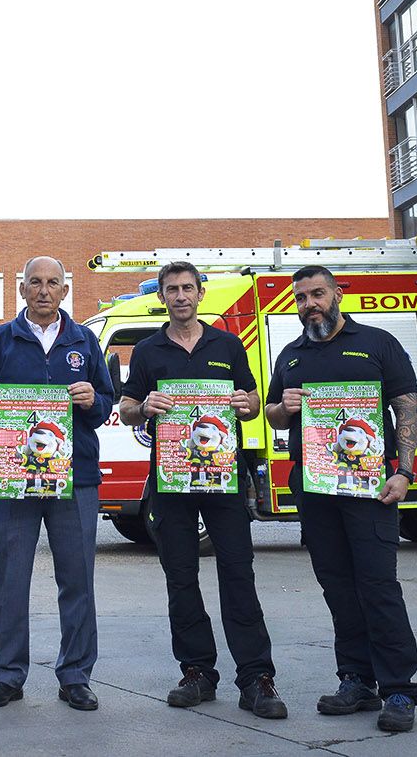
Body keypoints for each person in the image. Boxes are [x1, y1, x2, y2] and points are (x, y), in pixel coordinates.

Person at [118, 261, 285, 718]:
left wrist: (245, 403)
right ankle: (197, 672)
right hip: (171, 481)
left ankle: (256, 678)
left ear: (200, 293)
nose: (180, 296)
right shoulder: (149, 350)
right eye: (171, 289)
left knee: (238, 573)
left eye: (187, 288)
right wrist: (143, 406)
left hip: (224, 480)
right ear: (163, 297)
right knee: (180, 577)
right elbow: (128, 406)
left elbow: (253, 403)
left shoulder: (227, 345)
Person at [263, 264, 417, 733]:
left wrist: (405, 472)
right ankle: (356, 679)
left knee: (378, 586)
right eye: (301, 297)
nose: (309, 303)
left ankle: (399, 689)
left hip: (371, 491)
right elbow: (272, 415)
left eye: (317, 293)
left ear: (336, 294)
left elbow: (405, 407)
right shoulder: (291, 356)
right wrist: (282, 409)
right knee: (337, 587)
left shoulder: (377, 343)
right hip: (316, 491)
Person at [0, 255, 114, 712]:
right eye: (36, 282)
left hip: (76, 480)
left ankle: (75, 676)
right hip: (15, 481)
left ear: (65, 290)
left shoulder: (85, 341)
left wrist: (93, 399)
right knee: (10, 578)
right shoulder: (0, 339)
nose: (44, 290)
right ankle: (7, 676)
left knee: (77, 580)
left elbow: (107, 403)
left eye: (53, 283)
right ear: (22, 289)